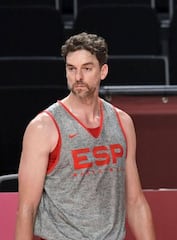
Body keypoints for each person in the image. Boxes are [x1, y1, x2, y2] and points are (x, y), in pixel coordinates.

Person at [15, 32, 156, 240]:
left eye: (87, 68)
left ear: (103, 71)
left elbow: (135, 201)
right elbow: (27, 208)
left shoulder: (122, 122)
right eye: (71, 69)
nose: (78, 77)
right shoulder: (43, 127)